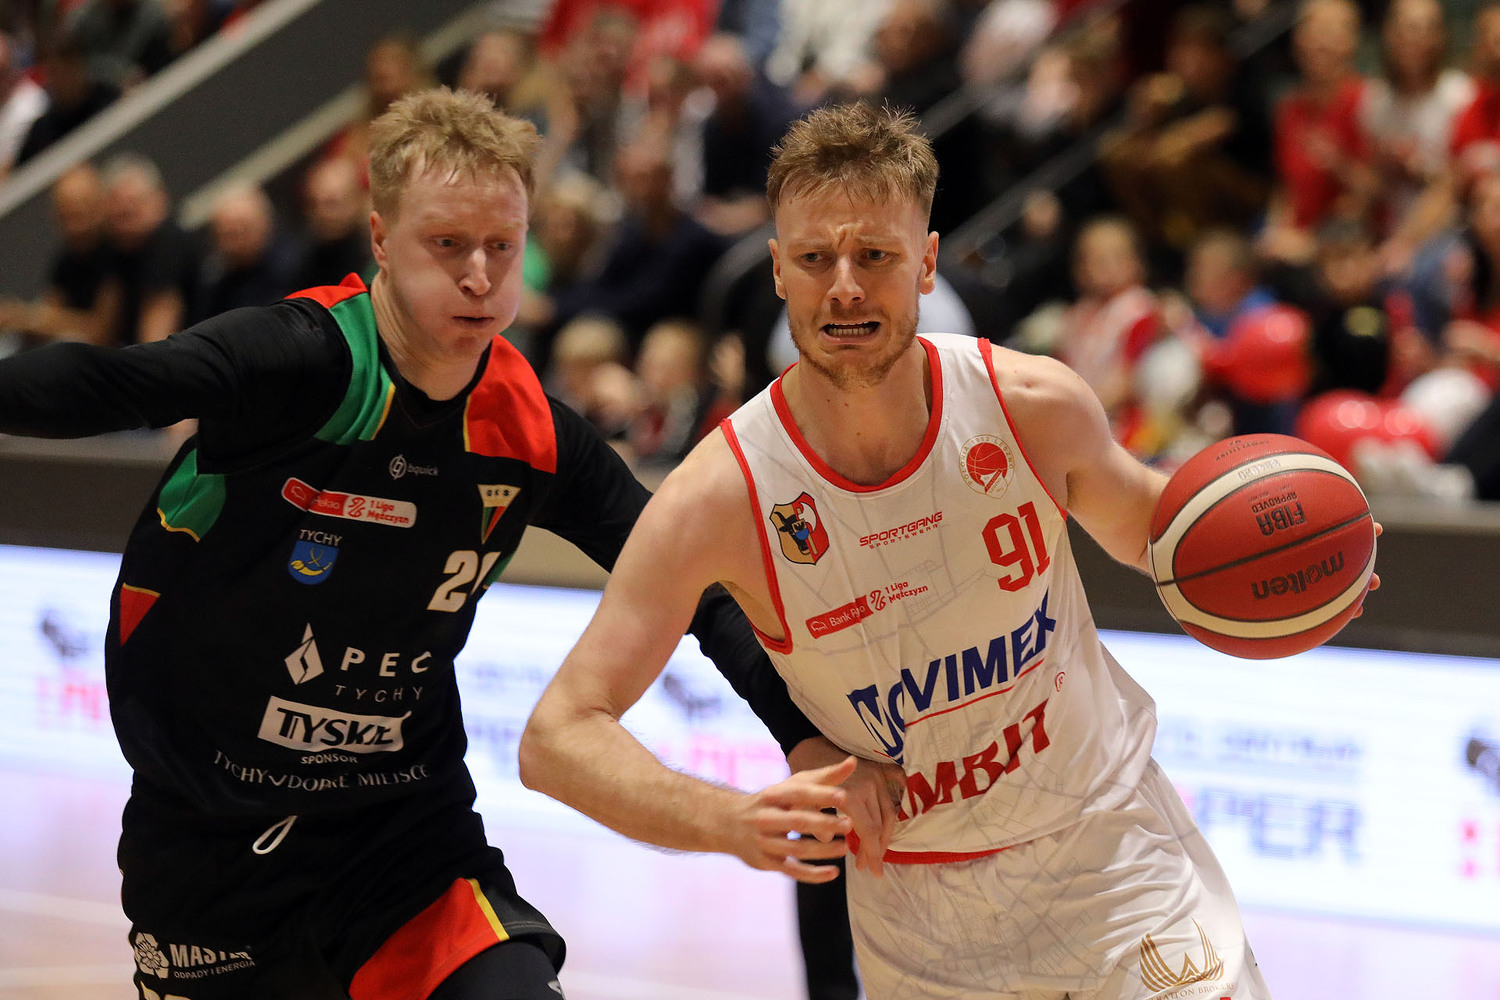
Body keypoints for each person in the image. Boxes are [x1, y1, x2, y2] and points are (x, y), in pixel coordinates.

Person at [520, 102, 1379, 998]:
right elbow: (557, 736)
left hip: (1115, 859)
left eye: (875, 256)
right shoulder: (719, 494)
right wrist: (734, 820)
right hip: (923, 924)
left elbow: (1167, 529)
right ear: (777, 268)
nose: (844, 287)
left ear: (927, 262)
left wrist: (1318, 558)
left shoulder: (1032, 406)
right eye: (814, 259)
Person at [0, 87, 816, 999]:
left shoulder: (531, 432)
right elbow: (108, 383)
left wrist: (802, 737)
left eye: (502, 246)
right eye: (448, 244)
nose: (480, 276)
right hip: (207, 837)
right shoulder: (304, 359)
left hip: (400, 836)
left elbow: (694, 582)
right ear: (382, 239)